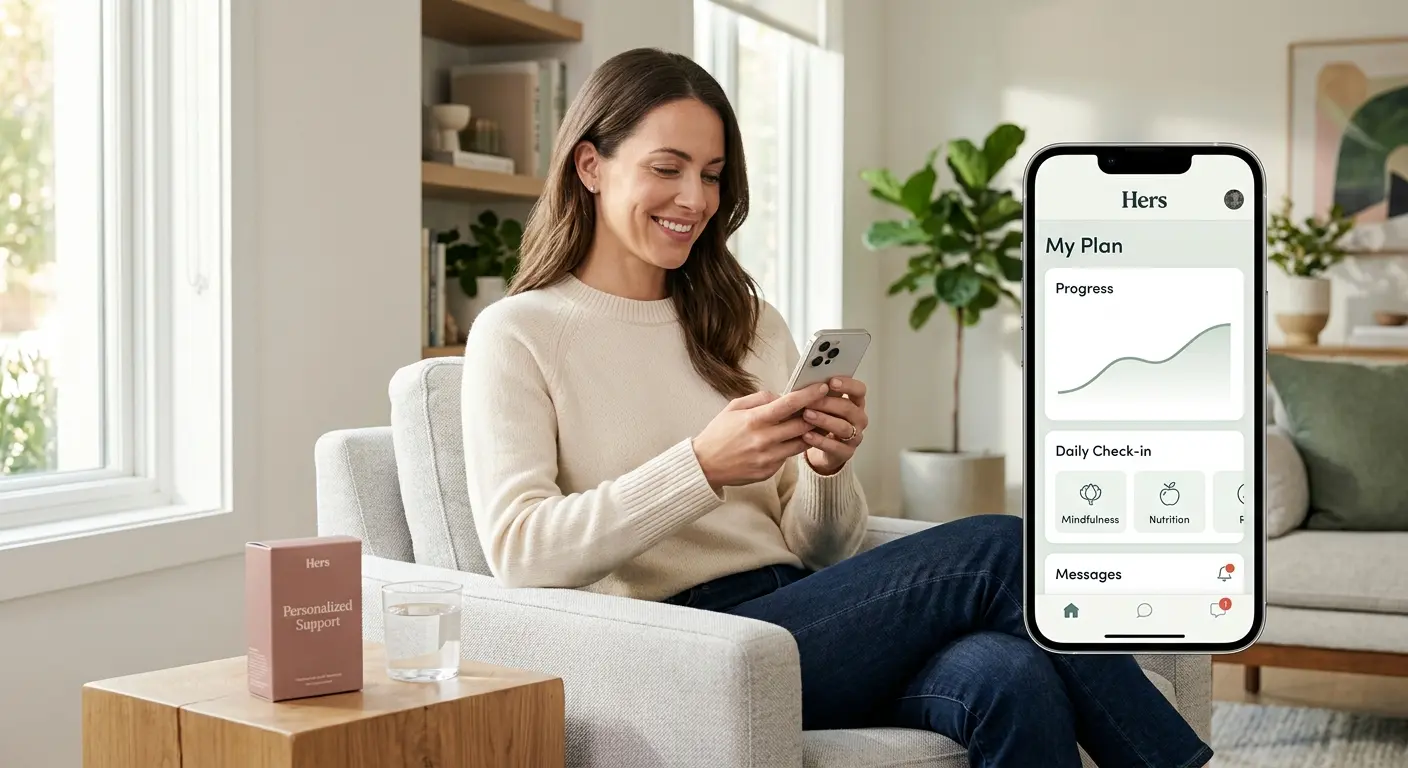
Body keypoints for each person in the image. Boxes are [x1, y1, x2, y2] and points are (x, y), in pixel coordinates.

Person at [460, 46, 1214, 768]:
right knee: (1004, 549)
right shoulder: (519, 332)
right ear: (590, 164)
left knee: (1011, 677)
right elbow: (522, 552)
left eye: (714, 175)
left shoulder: (745, 320)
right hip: (684, 646)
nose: (696, 199)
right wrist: (701, 467)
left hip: (804, 614)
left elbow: (823, 551)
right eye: (668, 168)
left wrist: (825, 466)